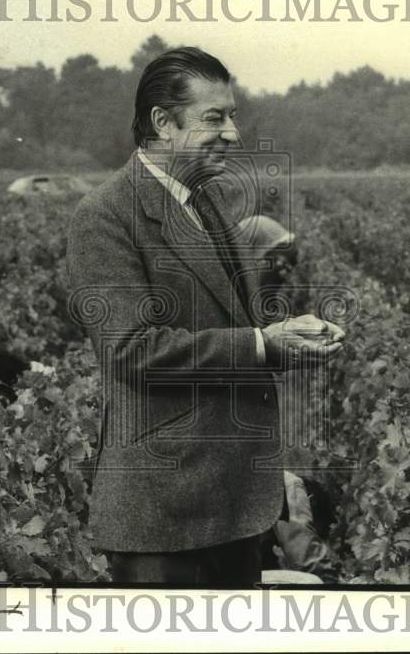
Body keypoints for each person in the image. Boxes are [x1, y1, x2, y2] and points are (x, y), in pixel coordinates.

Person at [67, 46, 345, 586]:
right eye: (214, 118)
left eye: (232, 116)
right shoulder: (106, 216)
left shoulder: (209, 203)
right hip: (165, 519)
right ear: (163, 124)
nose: (233, 134)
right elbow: (131, 349)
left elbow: (229, 323)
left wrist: (290, 336)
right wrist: (264, 346)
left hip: (234, 508)